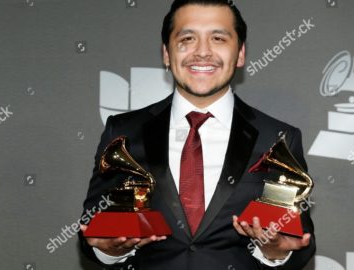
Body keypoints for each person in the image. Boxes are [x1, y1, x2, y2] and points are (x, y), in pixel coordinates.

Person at [79, 0, 315, 269]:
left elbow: (301, 242)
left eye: (218, 38)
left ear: (240, 54)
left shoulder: (279, 137)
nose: (202, 52)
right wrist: (110, 250)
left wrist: (275, 251)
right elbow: (91, 231)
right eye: (187, 38)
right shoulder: (122, 131)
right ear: (167, 54)